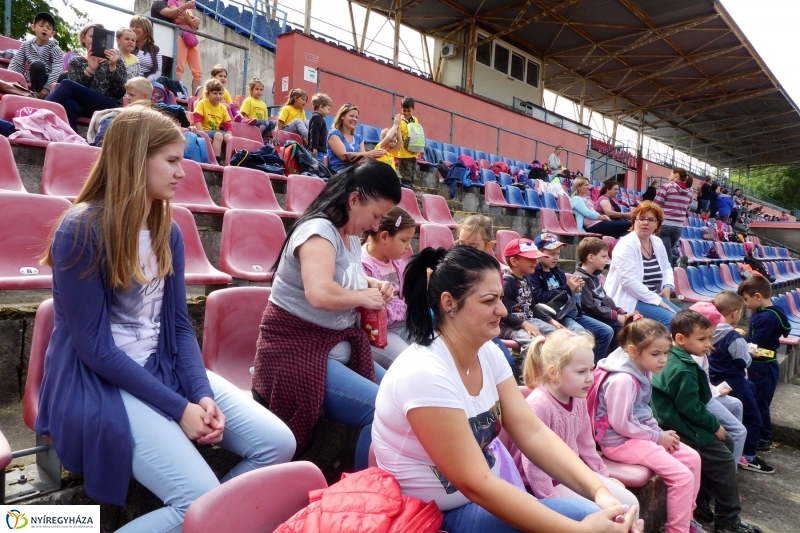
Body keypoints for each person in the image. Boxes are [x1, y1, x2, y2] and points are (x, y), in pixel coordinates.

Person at [36, 106, 295, 532]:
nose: (182, 171)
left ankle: (213, 523)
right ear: (135, 160)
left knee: (278, 445)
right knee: (197, 499)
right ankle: (207, 518)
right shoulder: (80, 229)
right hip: (98, 383)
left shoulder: (166, 229)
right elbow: (94, 348)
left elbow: (177, 325)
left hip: (162, 368)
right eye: (172, 160)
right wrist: (179, 409)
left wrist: (201, 393)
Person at [372, 245, 639, 533]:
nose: (502, 310)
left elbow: (532, 433)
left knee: (606, 515)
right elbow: (476, 483)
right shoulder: (425, 373)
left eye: (500, 298)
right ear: (449, 303)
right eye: (489, 300)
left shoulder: (488, 353)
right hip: (432, 515)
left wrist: (599, 491)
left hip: (481, 498)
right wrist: (579, 530)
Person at [251, 161, 401, 471]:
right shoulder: (318, 232)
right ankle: (362, 487)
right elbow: (319, 293)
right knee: (383, 411)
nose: (376, 226)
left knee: (400, 397)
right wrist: (364, 297)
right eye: (376, 216)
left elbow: (341, 276)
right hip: (299, 353)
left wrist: (370, 284)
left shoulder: (349, 236)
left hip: (336, 349)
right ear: (354, 200)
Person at [651, 310, 762, 533]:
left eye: (710, 338)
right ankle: (728, 522)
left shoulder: (676, 358)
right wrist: (715, 426)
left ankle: (702, 500)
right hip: (679, 428)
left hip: (678, 422)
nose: (708, 344)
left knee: (727, 443)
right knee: (724, 460)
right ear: (680, 338)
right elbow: (691, 408)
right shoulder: (683, 368)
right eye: (702, 339)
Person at [592, 315, 703, 533]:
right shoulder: (623, 380)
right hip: (619, 442)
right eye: (655, 354)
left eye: (665, 353)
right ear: (633, 351)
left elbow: (642, 411)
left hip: (636, 436)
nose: (663, 359)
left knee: (693, 459)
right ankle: (676, 530)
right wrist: (657, 437)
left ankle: (686, 519)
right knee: (681, 476)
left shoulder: (642, 369)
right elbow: (621, 423)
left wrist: (658, 432)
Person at [520, 330, 641, 517]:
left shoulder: (577, 397)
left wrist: (604, 477)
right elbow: (532, 464)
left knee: (631, 503)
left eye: (591, 369)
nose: (590, 377)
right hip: (547, 483)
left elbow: (586, 444)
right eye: (581, 371)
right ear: (553, 373)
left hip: (572, 473)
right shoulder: (539, 405)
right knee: (602, 514)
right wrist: (552, 503)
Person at [695, 297, 767, 472]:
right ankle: (746, 457)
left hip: (716, 383)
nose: (708, 343)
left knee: (739, 402)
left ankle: (733, 454)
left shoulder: (705, 344)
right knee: (752, 419)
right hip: (731, 382)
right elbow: (743, 362)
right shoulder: (733, 337)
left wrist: (715, 390)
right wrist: (750, 354)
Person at [529, 233, 614, 363]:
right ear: (538, 253)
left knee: (607, 331)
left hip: (568, 312)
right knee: (580, 333)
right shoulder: (534, 273)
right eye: (551, 254)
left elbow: (567, 295)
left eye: (558, 254)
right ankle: (577, 366)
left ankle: (594, 366)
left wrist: (575, 290)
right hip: (552, 315)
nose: (556, 257)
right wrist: (568, 288)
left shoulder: (558, 272)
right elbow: (539, 297)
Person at [604, 202, 680, 328]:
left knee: (685, 319)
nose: (645, 223)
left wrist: (668, 286)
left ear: (657, 224)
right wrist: (658, 301)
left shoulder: (657, 242)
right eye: (641, 218)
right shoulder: (625, 245)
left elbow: (666, 267)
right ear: (634, 221)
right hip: (631, 298)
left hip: (652, 296)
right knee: (671, 321)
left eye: (651, 220)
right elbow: (628, 282)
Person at [737, 275, 791, 453]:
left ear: (758, 296)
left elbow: (756, 342)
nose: (745, 304)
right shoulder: (768, 313)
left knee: (759, 403)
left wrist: (737, 338)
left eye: (746, 299)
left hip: (763, 366)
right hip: (762, 364)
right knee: (758, 401)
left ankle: (763, 437)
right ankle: (761, 435)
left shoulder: (767, 318)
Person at [456, 214, 517, 369]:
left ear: (488, 245)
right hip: (459, 328)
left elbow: (495, 306)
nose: (465, 250)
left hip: (483, 328)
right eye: (461, 243)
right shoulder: (453, 268)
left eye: (473, 246)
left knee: (507, 362)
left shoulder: (495, 273)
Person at [360, 207, 415, 368]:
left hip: (404, 325)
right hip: (379, 332)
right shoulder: (361, 264)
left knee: (436, 352)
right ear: (384, 236)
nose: (408, 247)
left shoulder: (397, 262)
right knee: (411, 364)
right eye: (404, 240)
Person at [46, 23, 127, 131]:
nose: (95, 41)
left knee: (66, 83)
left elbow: (120, 92)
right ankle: (72, 138)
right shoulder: (77, 62)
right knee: (68, 104)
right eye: (92, 37)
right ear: (83, 38)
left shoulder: (115, 60)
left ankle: (39, 112)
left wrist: (112, 67)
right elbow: (73, 89)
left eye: (99, 38)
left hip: (108, 105)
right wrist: (90, 70)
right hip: (84, 104)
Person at [499, 238, 558, 355]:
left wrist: (550, 320)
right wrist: (524, 325)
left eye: (536, 258)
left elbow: (531, 306)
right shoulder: (507, 283)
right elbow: (503, 315)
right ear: (514, 261)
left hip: (528, 320)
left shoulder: (526, 279)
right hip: (509, 326)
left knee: (557, 335)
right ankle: (530, 367)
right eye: (531, 259)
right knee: (533, 343)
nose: (536, 262)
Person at [575, 238, 625, 355]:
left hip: (599, 313)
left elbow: (604, 298)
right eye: (603, 256)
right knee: (617, 327)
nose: (607, 259)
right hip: (588, 315)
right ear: (591, 258)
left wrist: (620, 311)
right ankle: (598, 361)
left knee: (624, 324)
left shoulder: (596, 275)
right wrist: (615, 316)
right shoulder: (581, 278)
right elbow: (589, 306)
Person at [151, 0, 202, 94]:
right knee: (179, 68)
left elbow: (194, 27)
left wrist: (194, 20)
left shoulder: (186, 5)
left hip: (191, 38)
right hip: (179, 36)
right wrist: (190, 20)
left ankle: (196, 97)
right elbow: (177, 19)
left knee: (198, 72)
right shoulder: (171, 1)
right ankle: (177, 93)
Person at [8, 11, 63, 99]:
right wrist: (11, 79)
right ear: (33, 27)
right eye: (41, 26)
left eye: (48, 28)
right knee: (36, 65)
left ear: (52, 34)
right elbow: (17, 63)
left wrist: (47, 87)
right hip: (32, 77)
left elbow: (57, 69)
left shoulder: (55, 49)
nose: (44, 29)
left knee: (39, 65)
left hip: (47, 79)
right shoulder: (26, 45)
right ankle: (32, 92)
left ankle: (38, 94)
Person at [86, 77, 153, 146]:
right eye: (127, 94)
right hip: (116, 140)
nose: (128, 97)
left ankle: (97, 144)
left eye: (132, 95)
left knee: (108, 123)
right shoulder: (132, 106)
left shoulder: (148, 112)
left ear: (145, 96)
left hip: (127, 142)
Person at [326, 103, 385, 173]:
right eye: (351, 116)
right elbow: (343, 156)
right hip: (340, 171)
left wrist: (373, 155)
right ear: (342, 116)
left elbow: (363, 159)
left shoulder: (359, 138)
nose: (354, 119)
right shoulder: (334, 134)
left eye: (356, 117)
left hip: (356, 170)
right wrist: (368, 154)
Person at [653, 168, 694, 267]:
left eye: (671, 174)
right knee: (666, 252)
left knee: (665, 256)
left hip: (664, 225)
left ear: (676, 175)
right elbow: (688, 209)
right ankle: (678, 260)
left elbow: (655, 206)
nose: (669, 176)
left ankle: (672, 269)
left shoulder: (667, 187)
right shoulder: (690, 191)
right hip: (678, 227)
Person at [192, 78, 231, 164]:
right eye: (215, 93)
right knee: (218, 135)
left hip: (215, 132)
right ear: (207, 94)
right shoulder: (202, 103)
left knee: (230, 138)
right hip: (204, 130)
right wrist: (203, 134)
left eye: (220, 93)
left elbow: (228, 125)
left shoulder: (223, 108)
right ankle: (215, 160)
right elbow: (197, 120)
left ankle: (230, 162)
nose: (218, 96)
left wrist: (229, 136)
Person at [397, 96, 421, 185]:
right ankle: (406, 190)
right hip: (404, 153)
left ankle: (411, 190)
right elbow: (398, 134)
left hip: (413, 153)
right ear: (401, 108)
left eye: (409, 111)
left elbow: (418, 134)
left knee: (412, 175)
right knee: (406, 176)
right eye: (404, 110)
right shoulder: (399, 120)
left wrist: (420, 149)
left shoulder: (415, 120)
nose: (406, 113)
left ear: (413, 109)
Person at [130, 15, 162, 82]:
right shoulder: (127, 44)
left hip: (147, 80)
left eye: (137, 27)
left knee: (160, 87)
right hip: (129, 79)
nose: (133, 29)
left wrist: (147, 80)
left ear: (146, 31)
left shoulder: (155, 49)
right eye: (132, 26)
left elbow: (158, 71)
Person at [308, 92, 332, 159]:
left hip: (321, 150)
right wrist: (314, 147)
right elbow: (315, 132)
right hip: (318, 151)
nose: (329, 112)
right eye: (328, 109)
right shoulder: (317, 117)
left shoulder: (318, 117)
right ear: (321, 107)